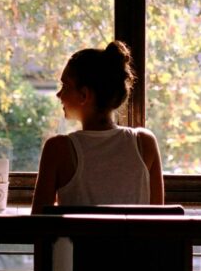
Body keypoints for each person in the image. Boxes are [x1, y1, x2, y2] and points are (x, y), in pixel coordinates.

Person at [31, 41, 164, 212]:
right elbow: (159, 227)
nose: (58, 94)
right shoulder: (144, 143)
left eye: (65, 86)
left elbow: (39, 230)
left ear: (84, 95)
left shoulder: (58, 150)